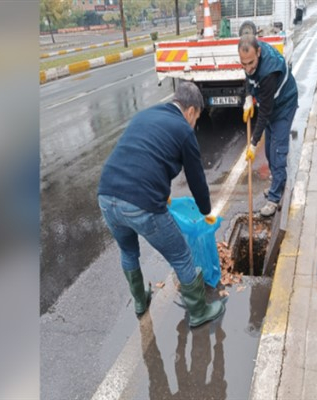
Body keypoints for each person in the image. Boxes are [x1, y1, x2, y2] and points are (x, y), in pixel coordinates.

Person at [97, 82, 225, 328]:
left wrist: (164, 192)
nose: (195, 124)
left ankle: (139, 302)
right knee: (182, 256)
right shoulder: (184, 130)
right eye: (196, 118)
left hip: (106, 196)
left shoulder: (146, 114)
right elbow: (196, 179)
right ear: (190, 111)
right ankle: (199, 312)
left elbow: (144, 156)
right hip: (141, 204)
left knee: (128, 251)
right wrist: (206, 211)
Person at [239, 34, 299, 216]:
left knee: (278, 150)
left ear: (259, 52)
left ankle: (274, 199)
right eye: (244, 64)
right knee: (269, 153)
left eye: (251, 63)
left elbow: (264, 112)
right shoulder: (250, 56)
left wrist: (253, 143)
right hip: (271, 103)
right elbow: (249, 78)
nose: (248, 68)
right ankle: (277, 184)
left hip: (284, 105)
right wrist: (248, 97)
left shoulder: (269, 71)